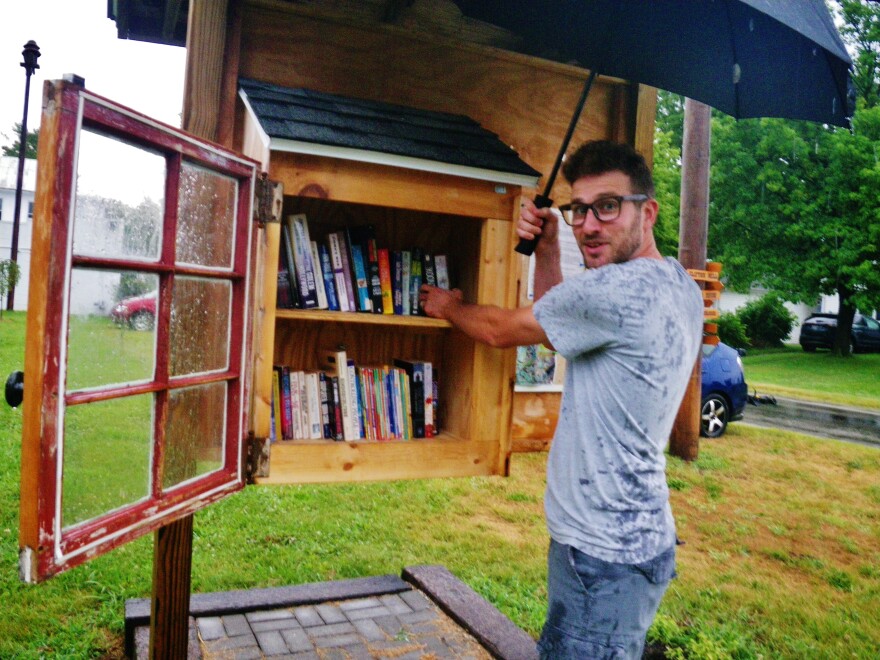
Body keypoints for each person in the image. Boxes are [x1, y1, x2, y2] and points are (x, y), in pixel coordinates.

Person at [419, 140, 703, 659]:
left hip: (601, 555)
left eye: (609, 206)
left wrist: (449, 306)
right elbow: (558, 328)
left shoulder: (615, 292)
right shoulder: (678, 284)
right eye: (578, 210)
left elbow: (503, 331)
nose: (590, 224)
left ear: (649, 211)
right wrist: (549, 248)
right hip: (641, 541)